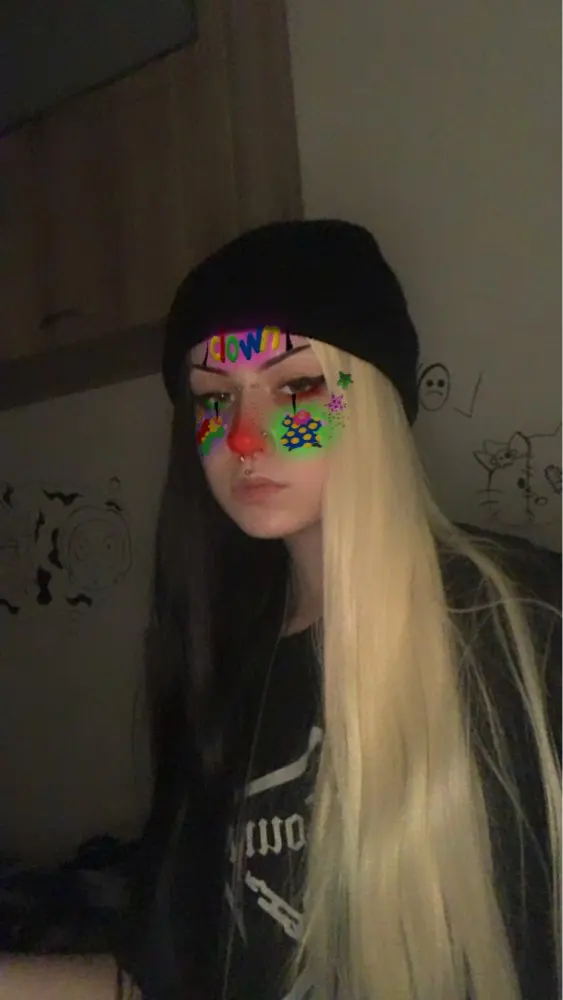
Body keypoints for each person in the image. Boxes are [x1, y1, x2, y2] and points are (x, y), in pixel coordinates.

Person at [0, 221, 558, 1000]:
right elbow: (174, 977)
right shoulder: (227, 662)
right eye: (214, 397)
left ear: (373, 401)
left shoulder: (523, 624)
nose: (242, 438)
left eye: (295, 388)